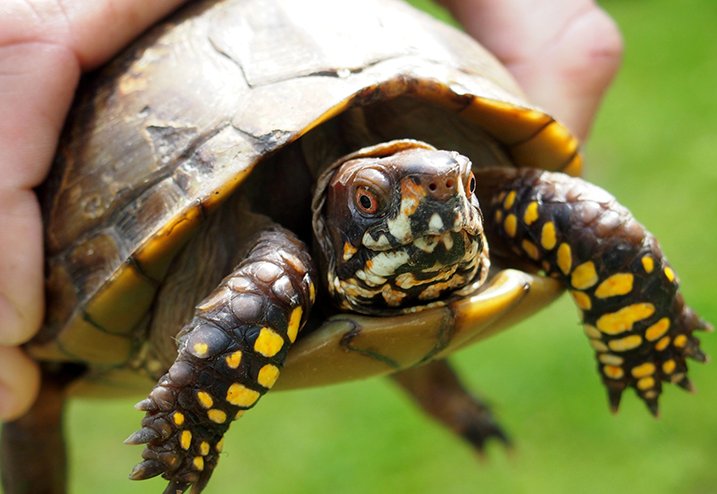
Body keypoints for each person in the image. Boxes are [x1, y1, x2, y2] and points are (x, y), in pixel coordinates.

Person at [0, 0, 622, 421]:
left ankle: (446, 396)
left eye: (453, 183)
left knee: (585, 221)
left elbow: (589, 225)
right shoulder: (275, 269)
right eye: (373, 201)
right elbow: (268, 284)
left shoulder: (481, 200)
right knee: (33, 410)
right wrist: (186, 426)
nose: (433, 198)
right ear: (336, 215)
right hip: (180, 263)